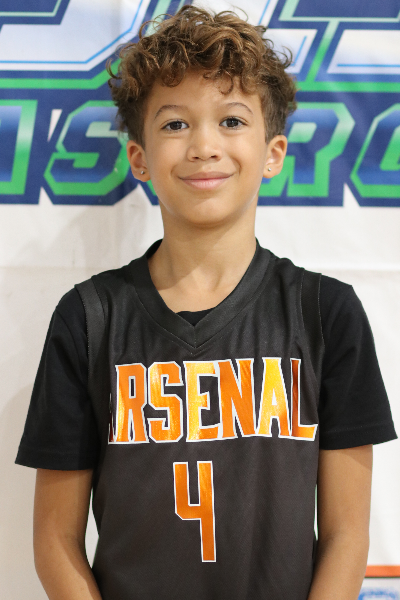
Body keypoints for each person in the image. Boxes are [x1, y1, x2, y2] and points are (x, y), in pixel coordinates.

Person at [15, 5, 397, 600]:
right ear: (140, 158)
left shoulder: (327, 313)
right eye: (174, 124)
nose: (203, 146)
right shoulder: (89, 318)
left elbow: (347, 536)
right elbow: (54, 540)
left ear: (273, 153)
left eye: (232, 120)